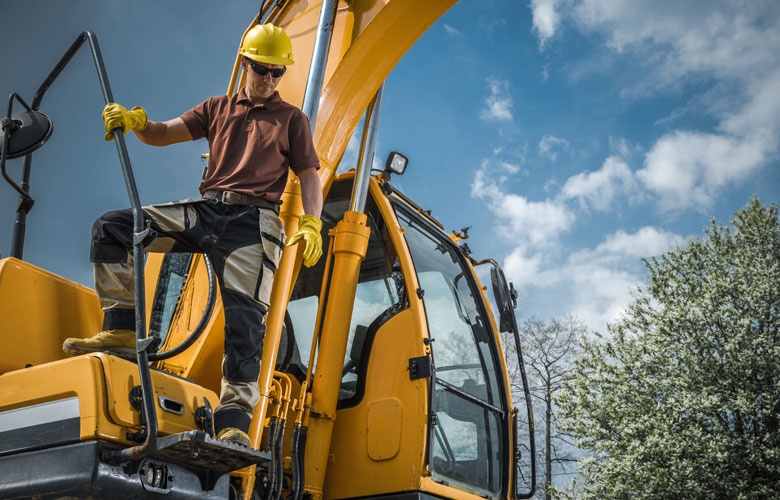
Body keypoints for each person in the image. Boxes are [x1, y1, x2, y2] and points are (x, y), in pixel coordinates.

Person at [61, 24, 323, 448]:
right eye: (262, 69)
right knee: (112, 226)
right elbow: (165, 133)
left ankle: (234, 417)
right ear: (245, 64)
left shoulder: (291, 120)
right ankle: (123, 329)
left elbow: (309, 174)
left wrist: (312, 221)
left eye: (277, 72)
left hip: (253, 224)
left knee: (245, 322)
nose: (270, 79)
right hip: (207, 210)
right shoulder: (218, 107)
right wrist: (137, 122)